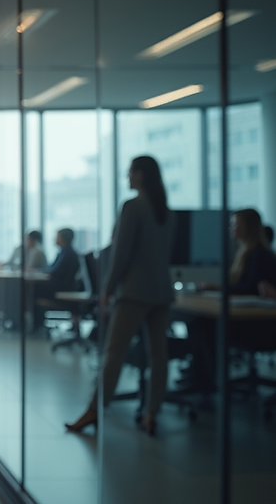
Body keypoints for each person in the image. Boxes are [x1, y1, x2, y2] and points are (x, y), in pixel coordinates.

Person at [66, 156, 175, 436]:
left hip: (134, 292)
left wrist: (107, 288)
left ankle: (93, 410)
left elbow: (120, 253)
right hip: (162, 292)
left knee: (113, 353)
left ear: (139, 175)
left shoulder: (132, 206)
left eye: (129, 172)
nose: (127, 177)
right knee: (158, 356)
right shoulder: (167, 211)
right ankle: (151, 413)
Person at [31, 228, 81, 333]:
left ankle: (37, 325)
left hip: (62, 289)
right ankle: (38, 324)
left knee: (34, 290)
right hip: (65, 287)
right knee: (35, 288)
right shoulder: (66, 252)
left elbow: (54, 271)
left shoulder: (67, 254)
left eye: (57, 237)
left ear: (63, 239)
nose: (55, 239)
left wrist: (38, 271)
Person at [227, 209, 276, 296]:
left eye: (235, 224)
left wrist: (220, 287)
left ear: (248, 227)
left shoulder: (260, 254)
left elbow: (249, 288)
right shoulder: (243, 253)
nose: (230, 227)